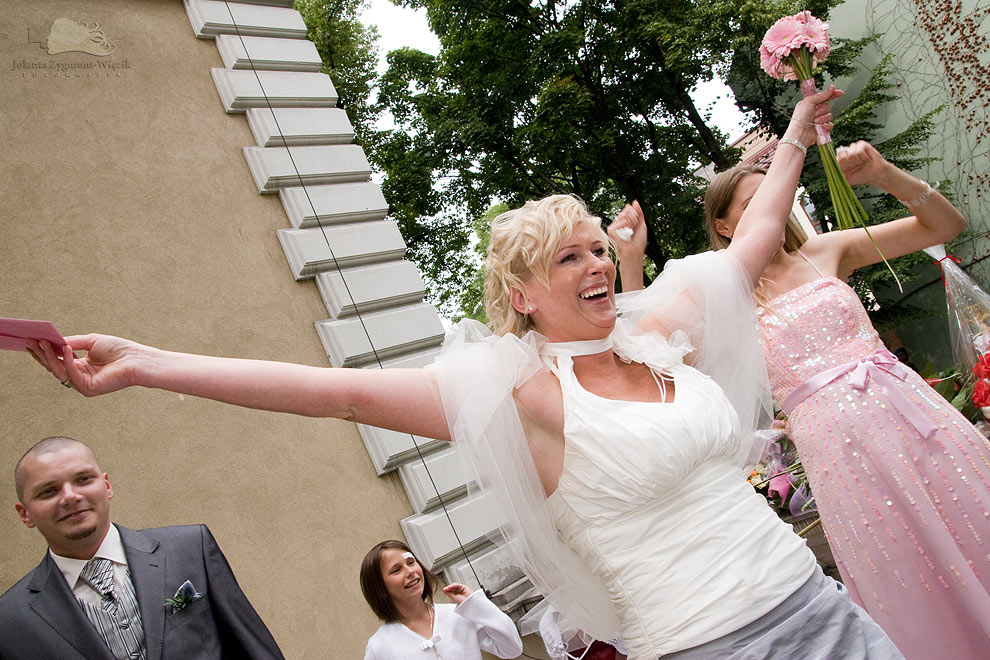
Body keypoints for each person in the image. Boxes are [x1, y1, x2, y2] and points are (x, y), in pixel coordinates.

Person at [24, 88, 903, 660]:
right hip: (712, 643)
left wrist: (791, 138)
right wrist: (142, 364)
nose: (597, 263)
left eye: (600, 246)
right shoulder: (522, 395)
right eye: (570, 258)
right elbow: (339, 393)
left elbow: (751, 244)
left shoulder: (655, 328)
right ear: (522, 295)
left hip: (821, 604)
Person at [611, 140, 990, 660]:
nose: (772, 201)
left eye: (773, 190)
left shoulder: (827, 251)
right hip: (840, 454)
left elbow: (945, 227)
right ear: (723, 227)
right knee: (905, 561)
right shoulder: (722, 301)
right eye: (751, 201)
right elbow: (643, 357)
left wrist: (885, 174)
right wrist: (629, 263)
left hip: (911, 413)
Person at [0, 436, 285, 660]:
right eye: (49, 491)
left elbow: (253, 647)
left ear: (107, 485)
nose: (71, 496)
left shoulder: (190, 547)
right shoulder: (10, 618)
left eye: (83, 479)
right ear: (25, 514)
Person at [359, 540, 523, 660]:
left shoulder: (457, 615)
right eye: (396, 570)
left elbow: (511, 648)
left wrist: (475, 603)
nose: (410, 571)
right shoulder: (380, 646)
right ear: (380, 588)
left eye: (411, 562)